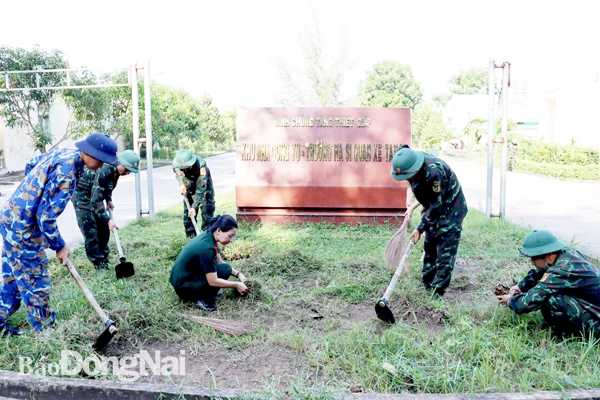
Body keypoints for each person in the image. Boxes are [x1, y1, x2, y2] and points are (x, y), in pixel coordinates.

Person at [0, 133, 119, 336]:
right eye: (100, 160)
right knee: (36, 280)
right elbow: (45, 218)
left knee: (12, 277)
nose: (101, 166)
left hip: (11, 219)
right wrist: (59, 246)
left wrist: (34, 192)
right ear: (89, 152)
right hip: (24, 231)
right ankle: (46, 332)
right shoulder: (67, 174)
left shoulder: (65, 153)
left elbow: (32, 165)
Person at [390, 146, 468, 297]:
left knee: (445, 251)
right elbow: (428, 203)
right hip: (433, 208)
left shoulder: (434, 172)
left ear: (416, 170)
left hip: (452, 210)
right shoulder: (412, 170)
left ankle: (437, 293)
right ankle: (427, 284)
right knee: (430, 245)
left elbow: (436, 205)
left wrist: (419, 228)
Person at [496, 230, 600, 338]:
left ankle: (566, 335)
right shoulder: (566, 254)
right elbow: (541, 272)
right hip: (593, 309)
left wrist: (509, 300)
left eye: (534, 258)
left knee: (550, 299)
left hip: (597, 323)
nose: (532, 262)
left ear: (549, 255)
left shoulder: (561, 271)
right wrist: (520, 286)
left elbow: (528, 302)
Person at [71, 150, 140, 269]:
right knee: (91, 230)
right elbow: (95, 200)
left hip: (94, 195)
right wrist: (108, 220)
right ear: (120, 163)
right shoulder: (104, 170)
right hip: (82, 197)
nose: (128, 173)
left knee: (104, 229)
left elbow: (106, 186)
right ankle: (98, 263)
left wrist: (108, 199)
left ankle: (104, 258)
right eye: (127, 169)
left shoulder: (116, 171)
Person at [169, 214, 248, 312]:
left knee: (226, 269)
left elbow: (220, 262)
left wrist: (238, 274)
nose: (231, 240)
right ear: (219, 230)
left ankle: (204, 291)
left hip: (186, 278)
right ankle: (201, 298)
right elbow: (213, 281)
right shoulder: (206, 249)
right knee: (221, 274)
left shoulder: (209, 236)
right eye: (230, 236)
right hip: (184, 288)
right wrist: (237, 285)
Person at [172, 149, 216, 237]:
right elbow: (177, 173)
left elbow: (201, 189)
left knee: (207, 213)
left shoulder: (201, 167)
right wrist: (181, 183)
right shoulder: (176, 164)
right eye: (182, 168)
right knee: (188, 215)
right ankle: (191, 238)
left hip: (204, 189)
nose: (183, 170)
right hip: (189, 187)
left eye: (186, 168)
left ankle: (207, 238)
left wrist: (194, 206)